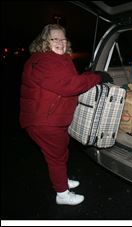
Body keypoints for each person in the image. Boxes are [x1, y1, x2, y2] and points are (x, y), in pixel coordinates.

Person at [19, 24, 102, 206]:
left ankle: (61, 181)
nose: (60, 42)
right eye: (54, 39)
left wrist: (86, 76)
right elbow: (68, 86)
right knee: (56, 157)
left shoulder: (46, 59)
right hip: (45, 121)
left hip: (46, 118)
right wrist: (96, 77)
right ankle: (62, 194)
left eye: (63, 39)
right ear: (44, 42)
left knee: (59, 153)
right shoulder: (47, 61)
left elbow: (65, 82)